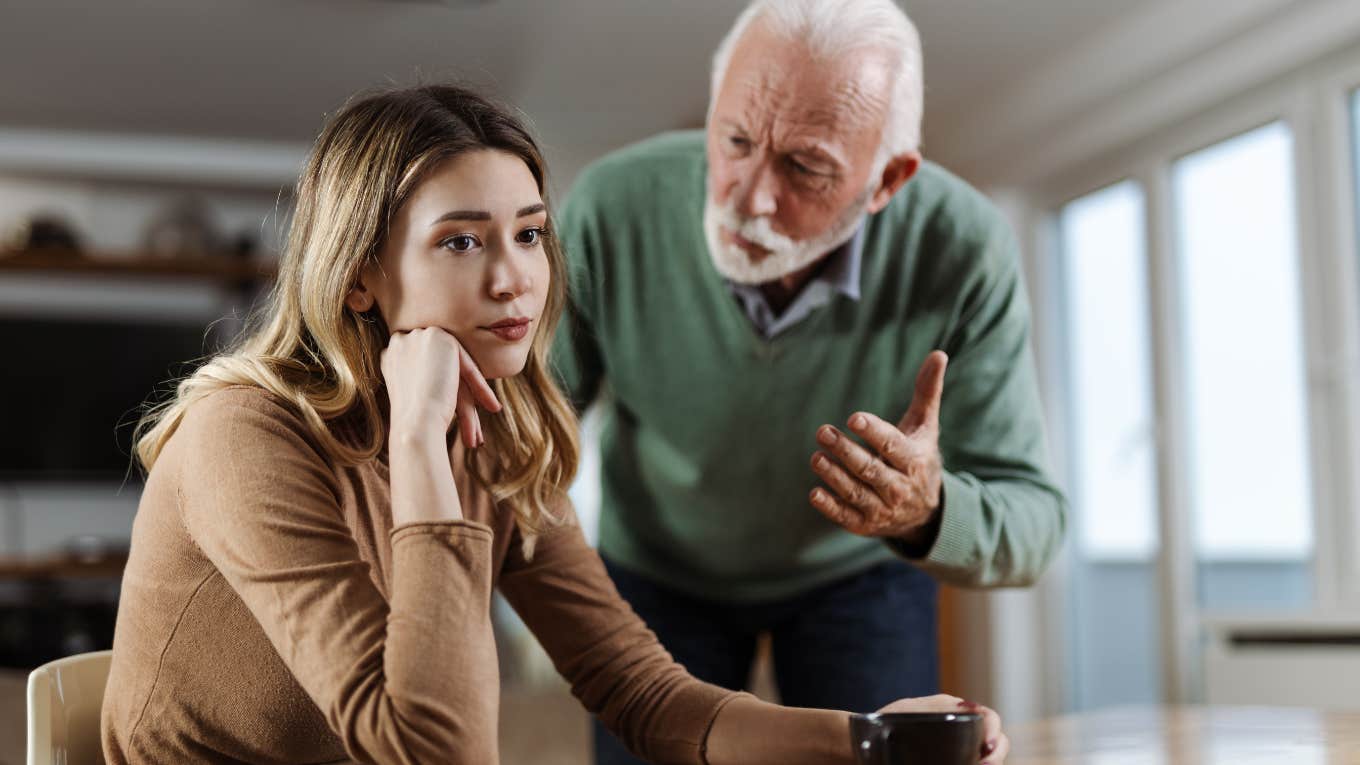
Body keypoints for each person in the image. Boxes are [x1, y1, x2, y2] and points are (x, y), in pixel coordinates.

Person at [99, 84, 1009, 765]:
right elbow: (434, 751)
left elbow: (648, 695)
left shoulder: (499, 439)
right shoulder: (245, 432)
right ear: (359, 276)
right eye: (462, 240)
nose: (514, 279)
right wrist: (420, 452)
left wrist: (875, 739)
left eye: (530, 233)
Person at [550, 2, 1067, 762]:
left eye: (805, 166)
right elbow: (525, 434)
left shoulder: (965, 248)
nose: (748, 197)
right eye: (732, 141)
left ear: (887, 179)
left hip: (857, 576)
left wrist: (927, 511)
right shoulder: (609, 206)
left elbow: (1035, 521)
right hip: (657, 564)